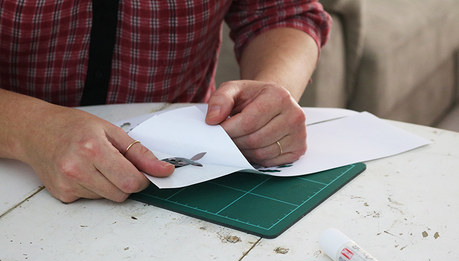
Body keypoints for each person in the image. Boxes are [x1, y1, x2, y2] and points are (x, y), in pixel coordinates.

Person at [0, 0, 332, 203]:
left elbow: (280, 13)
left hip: (194, 176)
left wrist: (270, 91)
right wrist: (31, 128)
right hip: (13, 170)